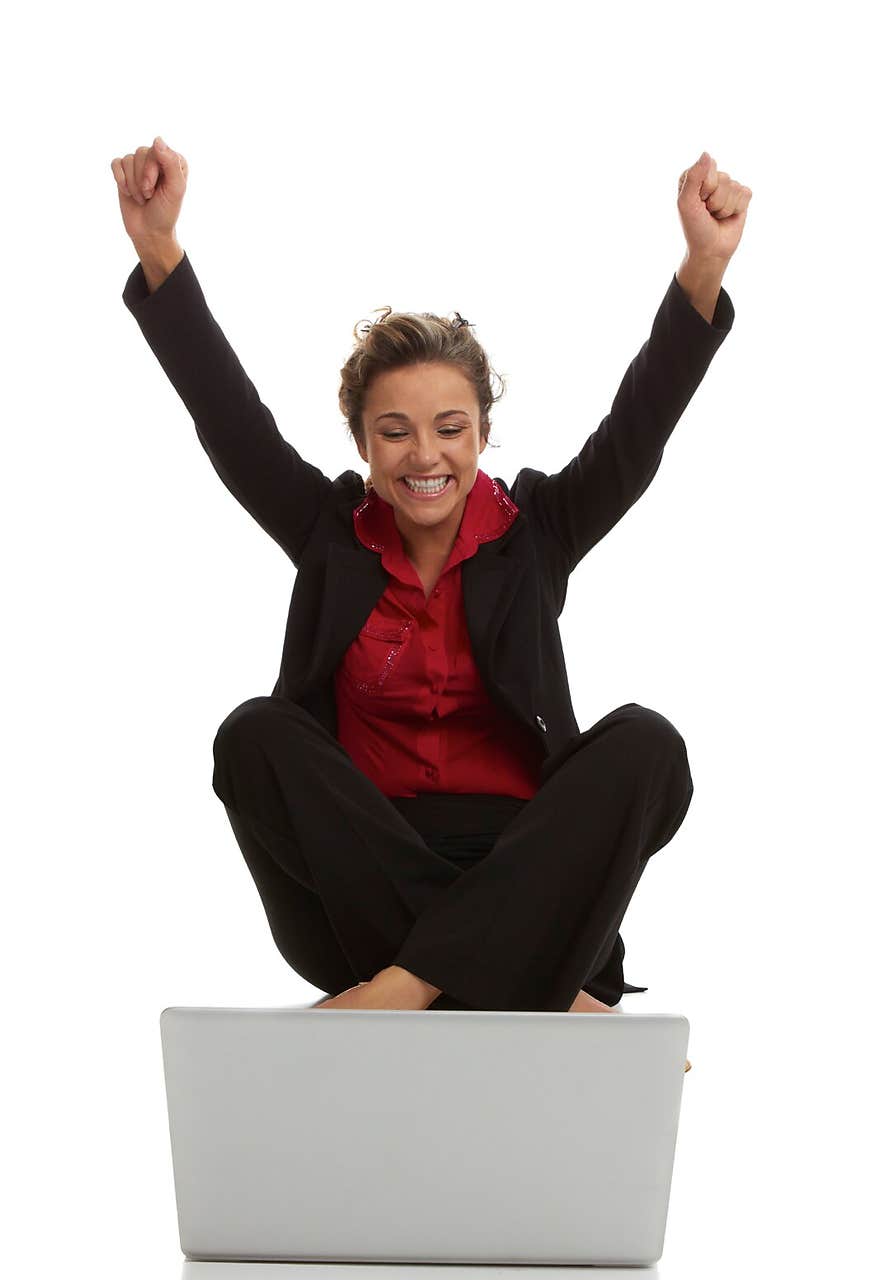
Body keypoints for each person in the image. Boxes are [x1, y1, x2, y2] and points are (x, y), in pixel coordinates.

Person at [111, 137, 750, 1058]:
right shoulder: (330, 533)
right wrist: (159, 249)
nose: (425, 456)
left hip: (524, 863)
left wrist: (702, 267)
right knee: (252, 735)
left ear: (483, 433)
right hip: (360, 872)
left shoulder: (536, 531)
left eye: (450, 429)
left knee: (649, 743)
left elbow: (636, 432)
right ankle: (531, 984)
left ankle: (409, 986)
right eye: (396, 432)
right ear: (364, 444)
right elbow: (229, 421)